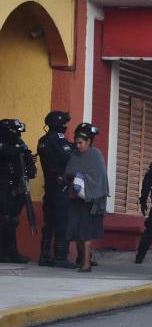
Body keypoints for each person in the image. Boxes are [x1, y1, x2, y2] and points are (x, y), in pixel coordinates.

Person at [65, 123, 108, 272]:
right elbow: (69, 170)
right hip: (75, 198)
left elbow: (99, 177)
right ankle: (82, 259)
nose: (77, 146)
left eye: (80, 143)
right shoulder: (74, 155)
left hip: (91, 199)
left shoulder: (95, 155)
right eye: (76, 142)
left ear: (89, 142)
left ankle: (86, 264)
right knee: (76, 231)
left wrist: (82, 178)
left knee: (86, 232)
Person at [36, 111, 76, 268]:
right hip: (61, 186)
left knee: (49, 222)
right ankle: (60, 257)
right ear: (59, 124)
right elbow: (69, 157)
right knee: (62, 222)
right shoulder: (58, 140)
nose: (66, 126)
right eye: (65, 123)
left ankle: (44, 256)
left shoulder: (43, 140)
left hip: (50, 185)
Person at [0, 119, 36, 263]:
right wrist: (20, 152)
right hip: (3, 186)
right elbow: (8, 152)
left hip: (15, 187)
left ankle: (10, 252)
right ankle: (7, 253)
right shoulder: (5, 146)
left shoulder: (18, 145)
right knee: (5, 219)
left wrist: (28, 159)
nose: (18, 136)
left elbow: (25, 164)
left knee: (11, 220)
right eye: (16, 132)